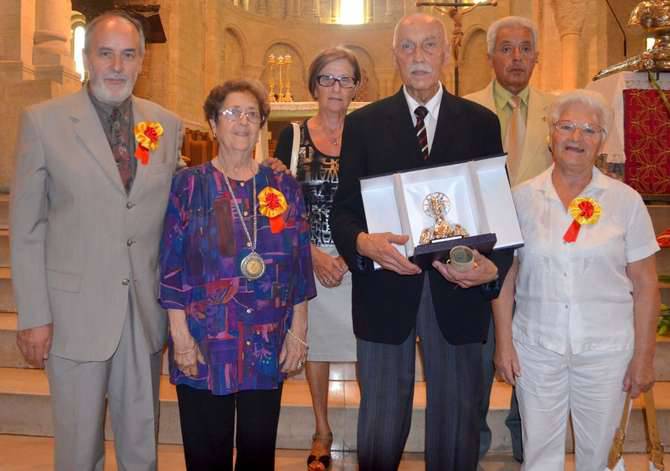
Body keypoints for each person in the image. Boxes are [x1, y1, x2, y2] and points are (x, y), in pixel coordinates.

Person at [332, 13, 513, 471]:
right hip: (384, 292)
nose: (418, 57)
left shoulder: (481, 123)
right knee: (379, 423)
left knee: (457, 423)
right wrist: (363, 244)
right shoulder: (365, 124)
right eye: (408, 47)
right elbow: (344, 211)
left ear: (446, 52)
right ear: (395, 55)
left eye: (428, 46)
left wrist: (492, 270)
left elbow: (500, 215)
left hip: (458, 293)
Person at [10, 11, 183, 470]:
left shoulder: (165, 125)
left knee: (142, 442)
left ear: (142, 61)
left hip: (143, 313)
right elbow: (26, 228)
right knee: (78, 448)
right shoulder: (43, 122)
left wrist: (257, 177)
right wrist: (33, 316)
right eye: (105, 53)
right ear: (86, 57)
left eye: (128, 55)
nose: (117, 66)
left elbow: (185, 205)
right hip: (73, 313)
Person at [492, 89, 659, 471]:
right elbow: (506, 277)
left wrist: (644, 357)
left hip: (606, 352)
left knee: (599, 456)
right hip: (536, 348)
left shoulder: (625, 200)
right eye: (566, 126)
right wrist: (503, 343)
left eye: (589, 130)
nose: (576, 138)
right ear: (551, 133)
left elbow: (647, 284)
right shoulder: (521, 198)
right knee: (538, 455)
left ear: (602, 140)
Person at [159, 79, 316, 470]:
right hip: (204, 340)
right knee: (206, 455)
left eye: (252, 114)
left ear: (262, 124)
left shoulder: (283, 186)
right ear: (212, 123)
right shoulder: (188, 186)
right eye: (232, 113)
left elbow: (298, 262)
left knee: (258, 455)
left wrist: (298, 330)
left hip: (266, 340)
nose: (242, 122)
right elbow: (170, 266)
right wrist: (179, 336)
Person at [464, 15, 554, 462]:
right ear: (490, 57)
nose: (516, 57)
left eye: (524, 48)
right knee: (480, 351)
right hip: (482, 247)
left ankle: (527, 444)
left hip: (542, 248)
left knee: (532, 348)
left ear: (537, 56)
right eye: (506, 48)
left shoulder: (559, 112)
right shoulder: (464, 109)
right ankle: (473, 442)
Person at [274, 46, 360, 471]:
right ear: (313, 85)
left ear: (357, 87)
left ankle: (371, 428)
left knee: (371, 348)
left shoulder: (369, 134)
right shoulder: (292, 136)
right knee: (318, 349)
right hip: (308, 259)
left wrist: (347, 251)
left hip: (358, 258)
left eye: (345, 79)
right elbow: (278, 208)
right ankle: (321, 431)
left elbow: (375, 198)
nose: (336, 87)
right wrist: (312, 254)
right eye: (327, 78)